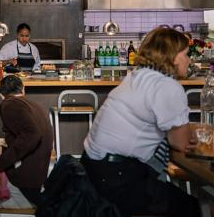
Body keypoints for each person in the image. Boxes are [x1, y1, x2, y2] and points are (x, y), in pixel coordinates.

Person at [81, 27, 200, 217]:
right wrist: (194, 132)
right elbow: (181, 142)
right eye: (186, 54)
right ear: (173, 56)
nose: (189, 60)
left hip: (94, 168)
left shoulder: (138, 75)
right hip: (117, 177)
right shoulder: (166, 85)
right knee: (189, 206)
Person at [0, 75, 53, 209]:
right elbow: (29, 143)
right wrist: (0, 149)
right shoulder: (34, 106)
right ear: (23, 90)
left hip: (26, 190)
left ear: (1, 95)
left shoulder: (9, 104)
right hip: (37, 184)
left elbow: (32, 135)